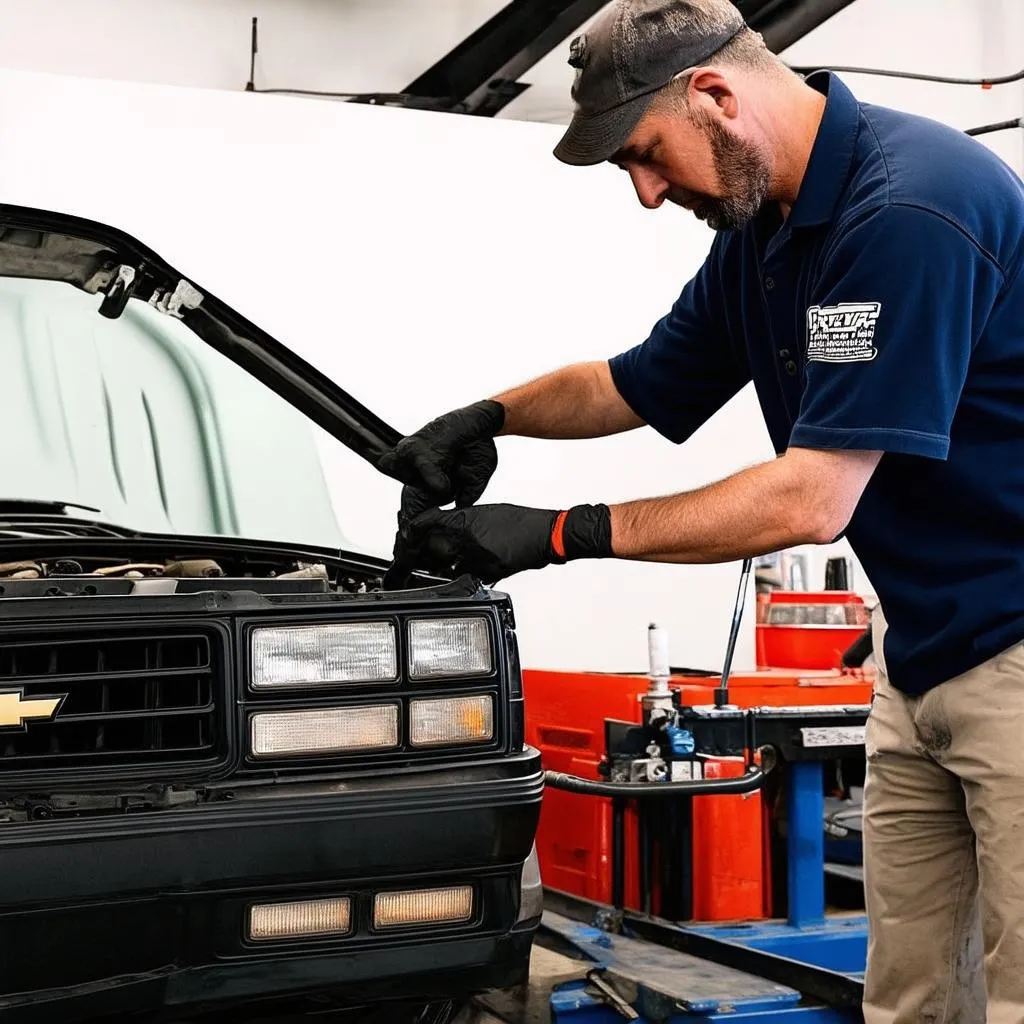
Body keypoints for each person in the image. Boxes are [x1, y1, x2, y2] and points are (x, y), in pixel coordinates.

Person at [376, 1, 1024, 1020]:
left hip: (1016, 652)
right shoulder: (767, 230)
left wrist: (558, 533)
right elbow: (637, 383)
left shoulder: (906, 209)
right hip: (925, 651)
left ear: (714, 95)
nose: (644, 192)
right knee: (908, 999)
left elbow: (812, 497)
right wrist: (490, 414)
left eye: (644, 155)